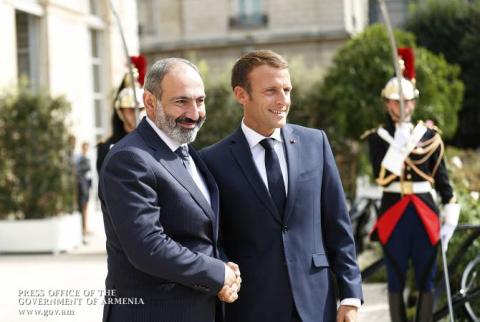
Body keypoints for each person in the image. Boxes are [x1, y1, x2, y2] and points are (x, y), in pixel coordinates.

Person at [201, 50, 363, 322]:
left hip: (316, 305)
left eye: (287, 90)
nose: (283, 100)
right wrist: (223, 278)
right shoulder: (212, 160)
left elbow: (338, 225)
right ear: (241, 94)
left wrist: (350, 296)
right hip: (251, 307)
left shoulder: (316, 143)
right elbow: (213, 239)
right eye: (271, 91)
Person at [99, 58, 241, 322]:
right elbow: (148, 246)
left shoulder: (187, 153)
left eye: (200, 101)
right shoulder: (130, 158)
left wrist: (223, 267)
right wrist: (217, 272)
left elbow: (200, 233)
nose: (194, 112)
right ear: (150, 102)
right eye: (181, 101)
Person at [363, 60, 460, 322]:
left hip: (424, 212)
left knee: (426, 277)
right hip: (393, 212)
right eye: (396, 102)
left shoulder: (429, 136)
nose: (402, 106)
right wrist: (398, 146)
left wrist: (451, 216)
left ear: (414, 103)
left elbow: (443, 183)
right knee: (395, 277)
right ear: (387, 104)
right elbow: (381, 178)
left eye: (407, 101)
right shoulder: (378, 137)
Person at [97, 56, 147, 173]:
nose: (136, 114)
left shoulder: (156, 144)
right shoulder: (107, 149)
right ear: (120, 111)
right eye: (130, 109)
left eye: (140, 109)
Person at [76, 142, 92, 240]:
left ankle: (85, 230)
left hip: (87, 186)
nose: (86, 149)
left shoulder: (88, 158)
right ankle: (83, 231)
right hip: (82, 188)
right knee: (82, 209)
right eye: (84, 148)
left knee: (85, 209)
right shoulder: (81, 159)